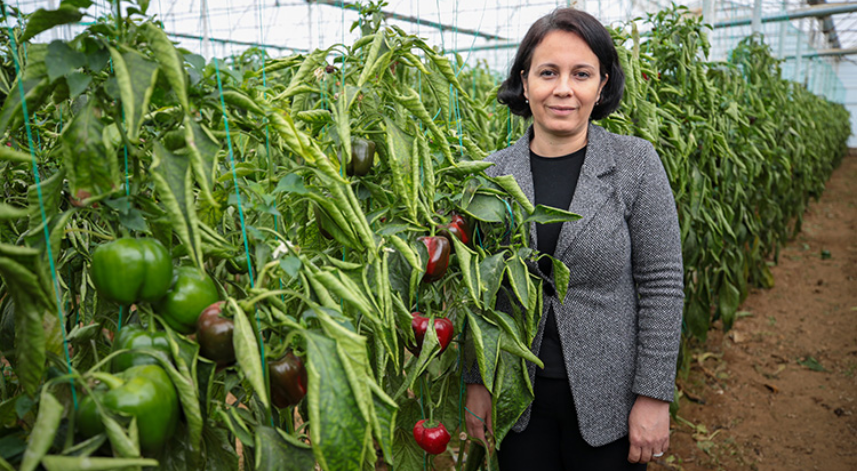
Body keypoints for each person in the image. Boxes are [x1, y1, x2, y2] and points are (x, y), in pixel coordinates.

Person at [463, 8, 684, 470]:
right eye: (548, 72)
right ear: (525, 82)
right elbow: (474, 293)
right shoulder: (490, 174)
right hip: (516, 401)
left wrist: (654, 394)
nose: (563, 88)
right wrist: (476, 380)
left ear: (601, 85)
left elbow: (662, 282)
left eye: (581, 73)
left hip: (610, 399)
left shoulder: (634, 164)